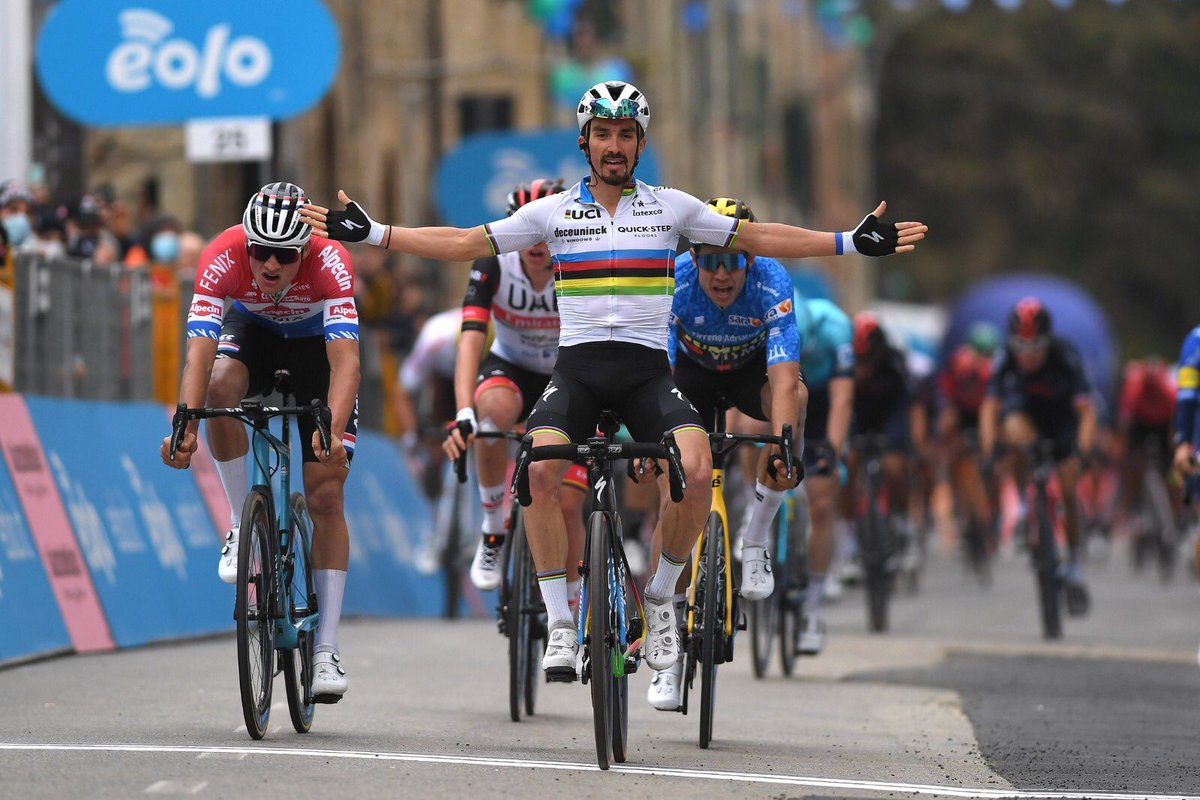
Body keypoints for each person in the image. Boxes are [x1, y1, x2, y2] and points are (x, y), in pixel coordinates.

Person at [300, 79, 925, 683]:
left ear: (641, 143)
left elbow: (760, 236)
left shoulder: (671, 208)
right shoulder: (552, 213)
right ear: (585, 141)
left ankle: (660, 597)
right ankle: (561, 622)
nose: (615, 145)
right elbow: (465, 242)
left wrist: (850, 242)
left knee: (696, 466)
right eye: (603, 133)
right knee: (537, 470)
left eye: (627, 134)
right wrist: (375, 232)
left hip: (647, 376)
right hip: (576, 373)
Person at [160, 182, 360, 702]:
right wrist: (186, 424)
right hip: (253, 333)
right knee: (220, 388)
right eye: (261, 251)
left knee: (326, 495)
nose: (270, 264)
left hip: (317, 347)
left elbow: (345, 363)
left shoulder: (331, 261)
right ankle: (237, 523)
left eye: (285, 255)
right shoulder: (221, 255)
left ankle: (326, 650)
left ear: (305, 251)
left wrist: (333, 431)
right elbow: (200, 351)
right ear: (245, 242)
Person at [644, 195, 805, 709]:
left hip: (748, 375)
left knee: (793, 406)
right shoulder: (674, 279)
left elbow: (783, 379)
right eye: (710, 260)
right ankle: (666, 646)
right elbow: (658, 372)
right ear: (695, 258)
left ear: (749, 259)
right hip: (688, 378)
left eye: (731, 261)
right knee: (671, 495)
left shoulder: (772, 281)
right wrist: (653, 437)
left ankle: (754, 540)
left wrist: (783, 443)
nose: (720, 274)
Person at [441, 179, 589, 597]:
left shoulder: (580, 260)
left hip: (570, 373)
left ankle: (572, 603)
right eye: (526, 231)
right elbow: (470, 340)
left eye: (545, 232)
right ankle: (493, 528)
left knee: (568, 503)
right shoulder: (494, 263)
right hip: (512, 367)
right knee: (490, 417)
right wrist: (463, 411)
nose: (536, 244)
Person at [979, 297, 1096, 615]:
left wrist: (1083, 450)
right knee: (1013, 430)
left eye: (1036, 348)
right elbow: (989, 406)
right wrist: (989, 448)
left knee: (1069, 490)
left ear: (1048, 341)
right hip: (1027, 417)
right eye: (1021, 347)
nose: (1027, 356)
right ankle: (1022, 504)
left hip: (1063, 422)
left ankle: (1074, 562)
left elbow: (1087, 411)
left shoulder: (1066, 356)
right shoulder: (1005, 356)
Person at [793, 296, 855, 653]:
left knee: (820, 505)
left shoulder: (836, 329)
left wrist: (833, 449)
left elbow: (842, 400)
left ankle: (813, 607)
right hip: (784, 392)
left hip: (824, 403)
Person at [843, 312, 925, 575]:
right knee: (847, 466)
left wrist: (915, 445)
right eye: (858, 361)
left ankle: (902, 524)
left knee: (893, 467)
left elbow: (914, 408)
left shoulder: (894, 363)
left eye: (867, 361)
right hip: (858, 414)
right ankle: (850, 543)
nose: (862, 368)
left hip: (891, 415)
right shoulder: (843, 361)